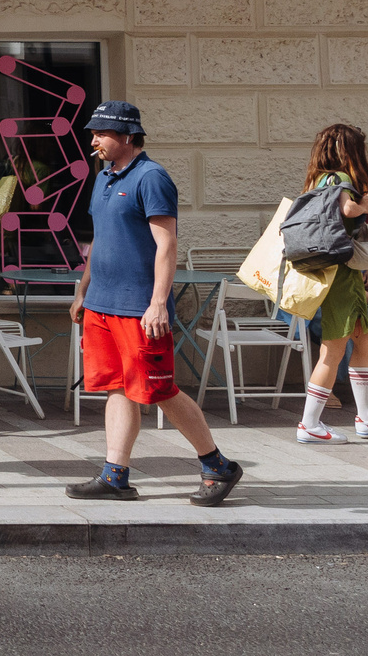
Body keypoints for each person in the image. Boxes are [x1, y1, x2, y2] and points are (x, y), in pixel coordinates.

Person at [66, 101, 242, 505]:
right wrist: (82, 290)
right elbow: (98, 242)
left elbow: (167, 244)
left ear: (128, 136)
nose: (93, 140)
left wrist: (158, 303)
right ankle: (114, 477)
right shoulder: (103, 178)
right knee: (115, 388)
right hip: (101, 304)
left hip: (138, 308)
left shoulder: (151, 177)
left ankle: (218, 466)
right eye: (93, 132)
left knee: (159, 390)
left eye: (102, 133)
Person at [293, 123, 368, 444]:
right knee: (333, 349)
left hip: (340, 273)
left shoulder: (318, 179)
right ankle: (310, 423)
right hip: (342, 275)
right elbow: (347, 208)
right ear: (349, 151)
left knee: (366, 342)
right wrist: (366, 206)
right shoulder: (340, 179)